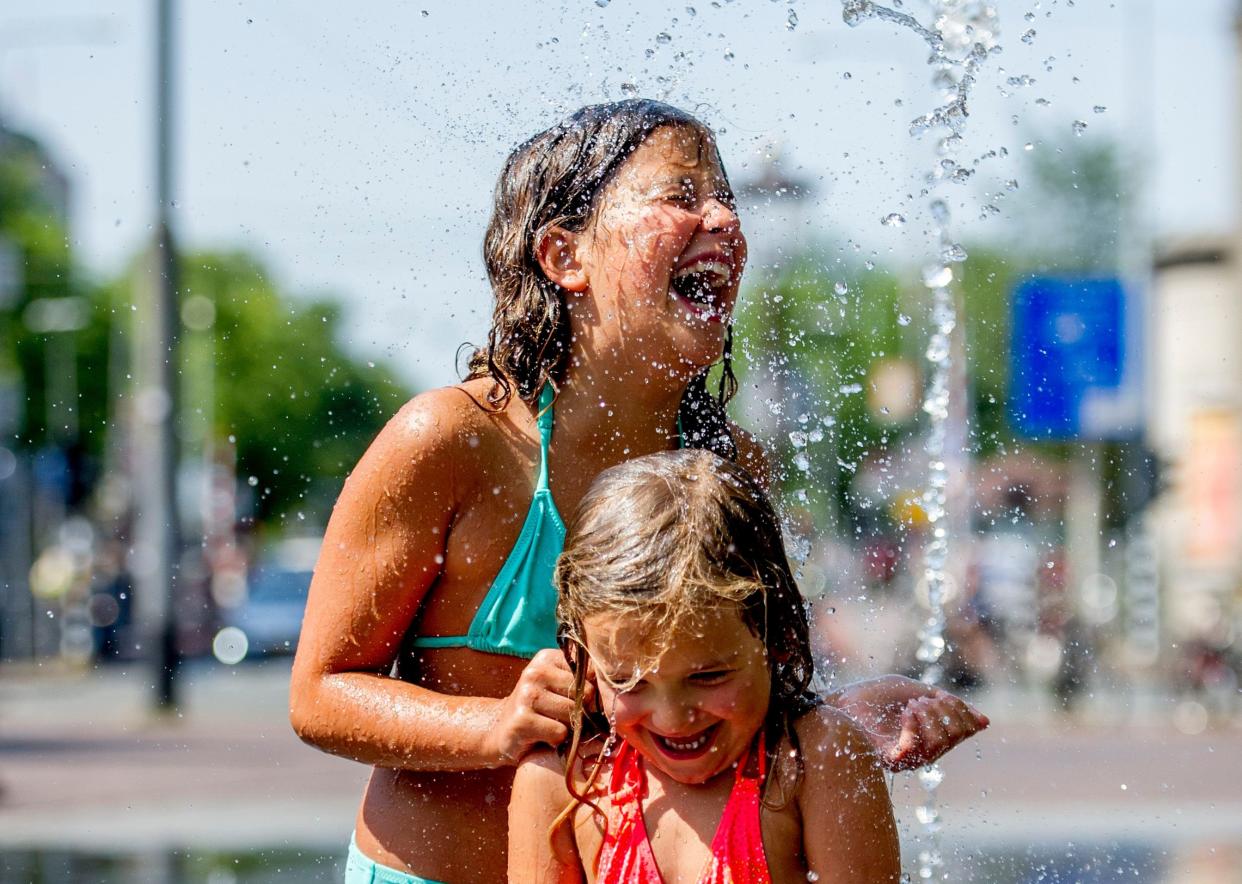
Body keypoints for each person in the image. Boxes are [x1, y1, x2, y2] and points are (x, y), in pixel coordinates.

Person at [289, 98, 987, 884]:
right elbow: (319, 694)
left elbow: (719, 688)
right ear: (563, 255)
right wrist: (497, 727)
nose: (723, 218)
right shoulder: (456, 442)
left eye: (725, 198)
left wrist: (836, 724)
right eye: (682, 197)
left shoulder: (728, 465)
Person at [510, 450, 949, 882]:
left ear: (779, 638)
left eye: (707, 676)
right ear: (584, 659)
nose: (673, 718)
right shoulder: (563, 785)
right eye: (627, 680)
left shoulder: (812, 763)